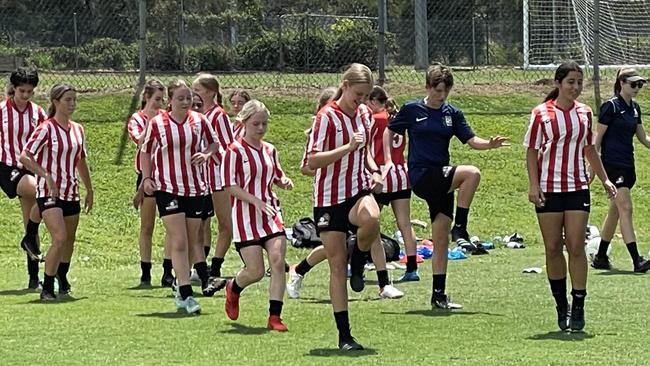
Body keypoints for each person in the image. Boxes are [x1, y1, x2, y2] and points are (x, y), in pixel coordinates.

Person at [386, 63, 508, 310]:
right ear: (428, 87)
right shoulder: (412, 109)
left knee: (440, 239)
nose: (441, 96)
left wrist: (490, 144)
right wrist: (389, 160)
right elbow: (390, 131)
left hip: (442, 178)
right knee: (471, 173)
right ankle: (461, 228)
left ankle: (438, 296)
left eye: (446, 91)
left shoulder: (452, 113)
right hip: (422, 175)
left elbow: (471, 141)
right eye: (438, 90)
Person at [524, 61, 617, 331]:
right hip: (548, 188)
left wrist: (605, 179)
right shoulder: (541, 113)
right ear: (558, 83)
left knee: (575, 246)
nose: (576, 87)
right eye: (570, 82)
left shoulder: (585, 113)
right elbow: (531, 150)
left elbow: (590, 149)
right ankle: (560, 306)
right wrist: (533, 185)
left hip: (577, 187)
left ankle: (578, 305)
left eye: (579, 82)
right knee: (553, 247)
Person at [306, 63, 383, 350]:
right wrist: (347, 148)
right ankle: (344, 336)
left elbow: (367, 155)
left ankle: (360, 260)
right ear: (346, 85)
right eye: (358, 94)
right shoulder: (326, 117)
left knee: (372, 218)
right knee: (336, 267)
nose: (362, 101)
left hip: (356, 189)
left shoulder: (365, 114)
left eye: (366, 96)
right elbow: (312, 161)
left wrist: (375, 171)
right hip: (328, 198)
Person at [140, 80, 220, 314]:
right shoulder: (158, 123)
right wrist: (147, 179)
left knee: (192, 238)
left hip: (195, 188)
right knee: (179, 240)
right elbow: (145, 150)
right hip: (168, 188)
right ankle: (186, 292)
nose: (186, 103)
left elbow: (214, 143)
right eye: (181, 98)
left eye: (189, 99)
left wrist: (206, 154)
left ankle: (180, 282)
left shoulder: (199, 121)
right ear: (170, 101)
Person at [222, 100, 292, 331]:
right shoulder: (234, 151)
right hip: (245, 219)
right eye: (256, 124)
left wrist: (283, 181)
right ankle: (233, 288)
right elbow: (229, 185)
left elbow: (276, 175)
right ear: (244, 123)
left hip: (270, 214)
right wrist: (255, 201)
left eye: (264, 124)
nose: (261, 128)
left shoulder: (270, 149)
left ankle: (275, 317)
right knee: (256, 271)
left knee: (278, 260)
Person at [20, 84, 93, 301]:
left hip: (71, 191)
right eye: (67, 100)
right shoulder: (46, 128)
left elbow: (80, 160)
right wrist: (45, 174)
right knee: (59, 238)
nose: (71, 104)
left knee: (69, 240)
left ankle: (62, 276)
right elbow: (25, 156)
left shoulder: (78, 129)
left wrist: (89, 188)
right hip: (49, 192)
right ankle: (47, 286)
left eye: (74, 100)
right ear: (55, 102)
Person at [592, 68, 650, 273]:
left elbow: (644, 138)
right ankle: (637, 260)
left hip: (628, 166)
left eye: (640, 85)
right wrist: (593, 168)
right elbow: (596, 140)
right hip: (612, 165)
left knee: (615, 211)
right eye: (633, 84)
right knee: (626, 208)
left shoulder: (635, 109)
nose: (637, 88)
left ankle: (600, 256)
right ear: (621, 83)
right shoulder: (611, 107)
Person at [1, 67, 46, 290]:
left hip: (31, 168)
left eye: (30, 91)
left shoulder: (38, 113)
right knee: (41, 191)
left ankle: (33, 277)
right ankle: (29, 237)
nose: (25, 96)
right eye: (22, 91)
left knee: (31, 220)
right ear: (13, 89)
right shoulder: (1, 111)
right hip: (7, 167)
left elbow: (47, 139)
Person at [370, 86, 419, 282]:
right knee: (405, 224)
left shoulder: (376, 119)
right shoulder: (397, 117)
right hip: (401, 173)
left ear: (374, 101)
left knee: (369, 222)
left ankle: (358, 262)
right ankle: (412, 268)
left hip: (383, 173)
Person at [128, 79, 173, 287]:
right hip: (146, 177)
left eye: (162, 99)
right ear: (146, 97)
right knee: (147, 226)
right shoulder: (137, 119)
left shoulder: (166, 118)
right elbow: (141, 141)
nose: (160, 103)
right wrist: (151, 121)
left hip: (166, 177)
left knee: (172, 226)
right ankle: (145, 272)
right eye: (156, 99)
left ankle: (167, 270)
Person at [192, 74, 234, 280]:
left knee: (224, 223)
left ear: (210, 92)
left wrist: (214, 159)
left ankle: (216, 265)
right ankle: (198, 267)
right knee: (199, 223)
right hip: (201, 180)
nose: (194, 94)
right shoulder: (197, 115)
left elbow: (228, 148)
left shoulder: (218, 116)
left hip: (218, 178)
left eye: (198, 90)